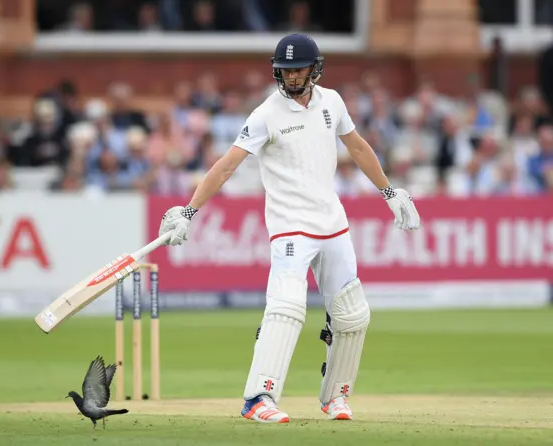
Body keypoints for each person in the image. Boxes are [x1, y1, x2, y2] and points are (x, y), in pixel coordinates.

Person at [158, 33, 421, 423]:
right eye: (285, 70)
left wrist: (389, 191)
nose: (291, 77)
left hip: (332, 222)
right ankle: (258, 399)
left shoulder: (332, 101)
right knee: (286, 308)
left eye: (297, 70)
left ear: (314, 69)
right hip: (290, 226)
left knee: (352, 315)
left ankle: (336, 398)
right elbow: (227, 165)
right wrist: (190, 211)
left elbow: (359, 146)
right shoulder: (266, 114)